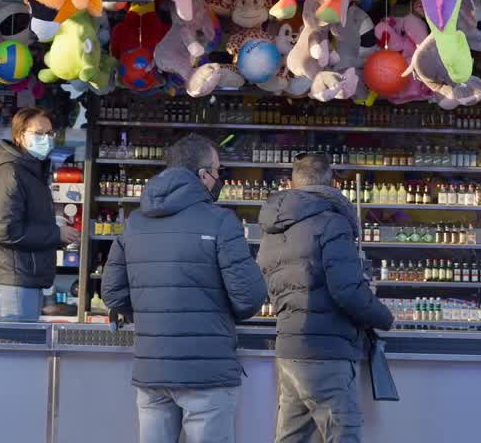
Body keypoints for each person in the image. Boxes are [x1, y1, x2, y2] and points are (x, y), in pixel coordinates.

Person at [101, 133, 266, 443]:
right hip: (207, 373)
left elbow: (112, 293)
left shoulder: (135, 222)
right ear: (203, 175)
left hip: (152, 371)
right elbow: (249, 298)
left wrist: (153, 312)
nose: (219, 179)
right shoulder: (221, 222)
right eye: (218, 171)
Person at [257, 152, 394, 443]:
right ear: (331, 183)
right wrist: (384, 317)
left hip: (288, 349)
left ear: (291, 182)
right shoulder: (332, 223)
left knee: (291, 438)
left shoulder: (273, 227)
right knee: (343, 435)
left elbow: (269, 281)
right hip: (326, 352)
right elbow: (347, 290)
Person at [0, 106, 80, 321]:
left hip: (24, 279)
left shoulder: (31, 171)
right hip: (12, 281)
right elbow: (5, 230)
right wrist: (55, 234)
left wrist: (57, 234)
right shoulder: (9, 171)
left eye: (50, 133)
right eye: (39, 133)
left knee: (23, 349)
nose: (46, 139)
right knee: (15, 350)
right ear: (19, 136)